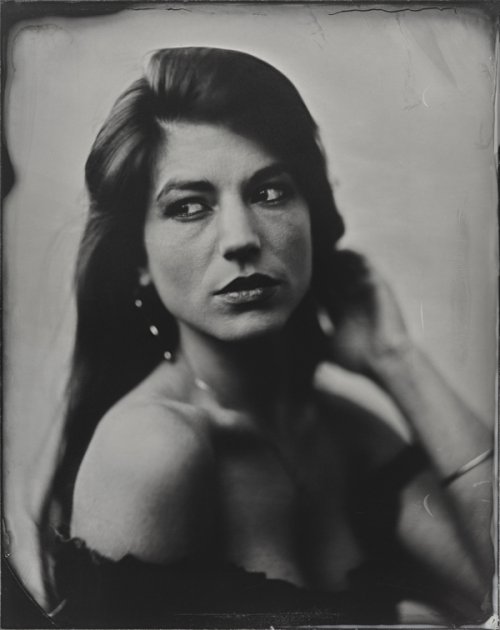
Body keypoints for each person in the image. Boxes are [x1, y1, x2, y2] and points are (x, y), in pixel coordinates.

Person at [38, 47, 493, 627]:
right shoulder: (152, 450)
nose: (241, 238)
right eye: (189, 207)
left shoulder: (342, 429)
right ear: (138, 259)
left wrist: (396, 359)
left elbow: (490, 586)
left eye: (270, 193)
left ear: (312, 216)